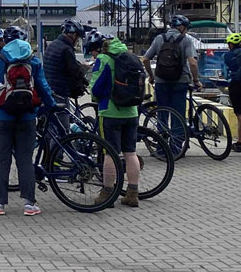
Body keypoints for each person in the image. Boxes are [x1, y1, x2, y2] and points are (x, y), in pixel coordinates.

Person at [0, 26, 56, 216]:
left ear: (5, 41)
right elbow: (43, 87)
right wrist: (51, 104)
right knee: (25, 159)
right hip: (27, 116)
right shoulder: (33, 60)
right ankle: (29, 204)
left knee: (2, 158)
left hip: (1, 116)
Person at [85, 30, 142, 207]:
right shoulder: (130, 56)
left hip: (110, 112)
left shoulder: (104, 59)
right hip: (131, 111)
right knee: (130, 152)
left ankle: (107, 194)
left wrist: (95, 97)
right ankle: (132, 193)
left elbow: (95, 88)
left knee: (109, 153)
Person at [142, 15, 201, 150]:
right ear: (181, 27)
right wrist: (196, 80)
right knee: (178, 115)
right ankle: (175, 149)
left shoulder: (159, 38)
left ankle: (162, 149)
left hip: (161, 81)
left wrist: (151, 76)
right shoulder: (185, 40)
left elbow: (145, 59)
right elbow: (192, 62)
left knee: (162, 114)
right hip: (180, 81)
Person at [42, 19, 87, 132]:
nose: (77, 41)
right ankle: (59, 150)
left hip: (48, 91)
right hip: (59, 93)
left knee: (51, 129)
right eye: (78, 37)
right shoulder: (66, 49)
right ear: (73, 35)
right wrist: (83, 68)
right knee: (62, 130)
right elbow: (74, 71)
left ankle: (50, 150)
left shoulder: (54, 45)